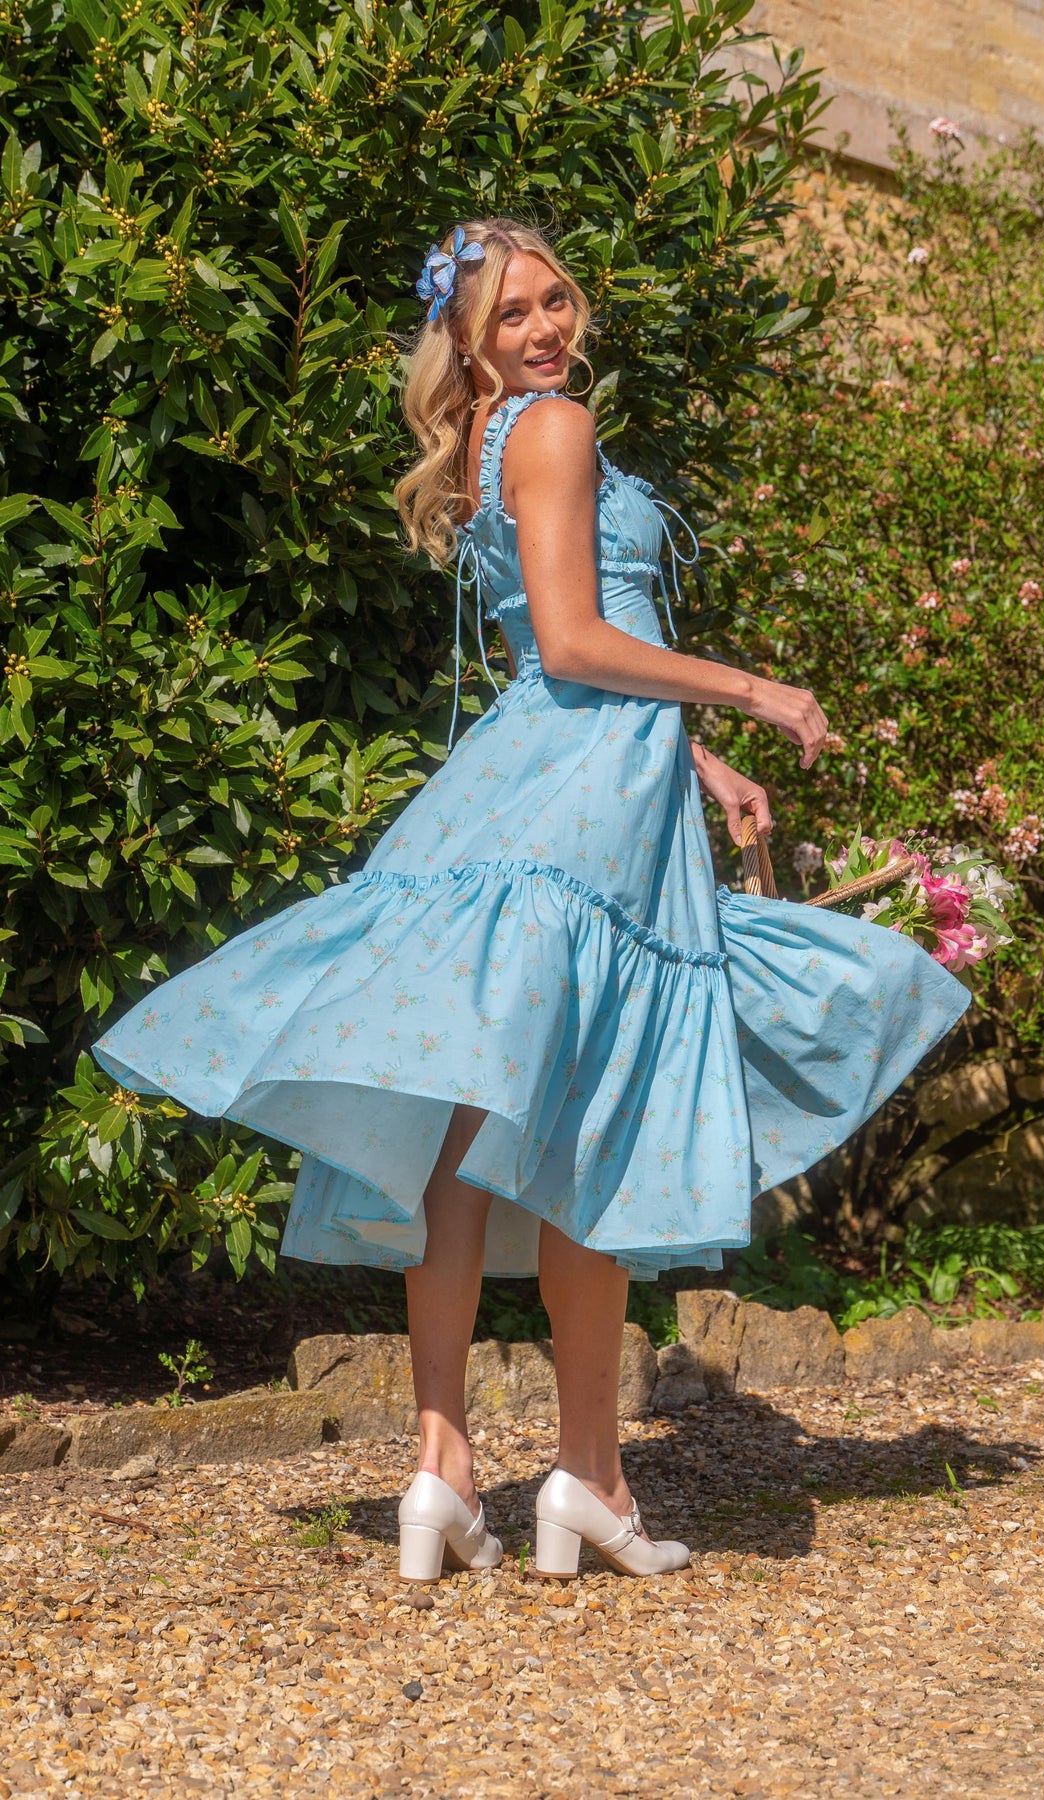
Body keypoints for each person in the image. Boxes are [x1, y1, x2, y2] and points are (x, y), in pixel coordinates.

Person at [94, 218, 969, 1583]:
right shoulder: (552, 429)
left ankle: (445, 1469)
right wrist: (752, 690)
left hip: (553, 772)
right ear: (468, 341)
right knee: (590, 1121)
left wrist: (696, 756)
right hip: (583, 795)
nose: (546, 328)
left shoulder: (494, 441)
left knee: (477, 1118)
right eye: (510, 314)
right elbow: (572, 640)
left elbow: (559, 656)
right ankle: (588, 1476)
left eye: (556, 299)